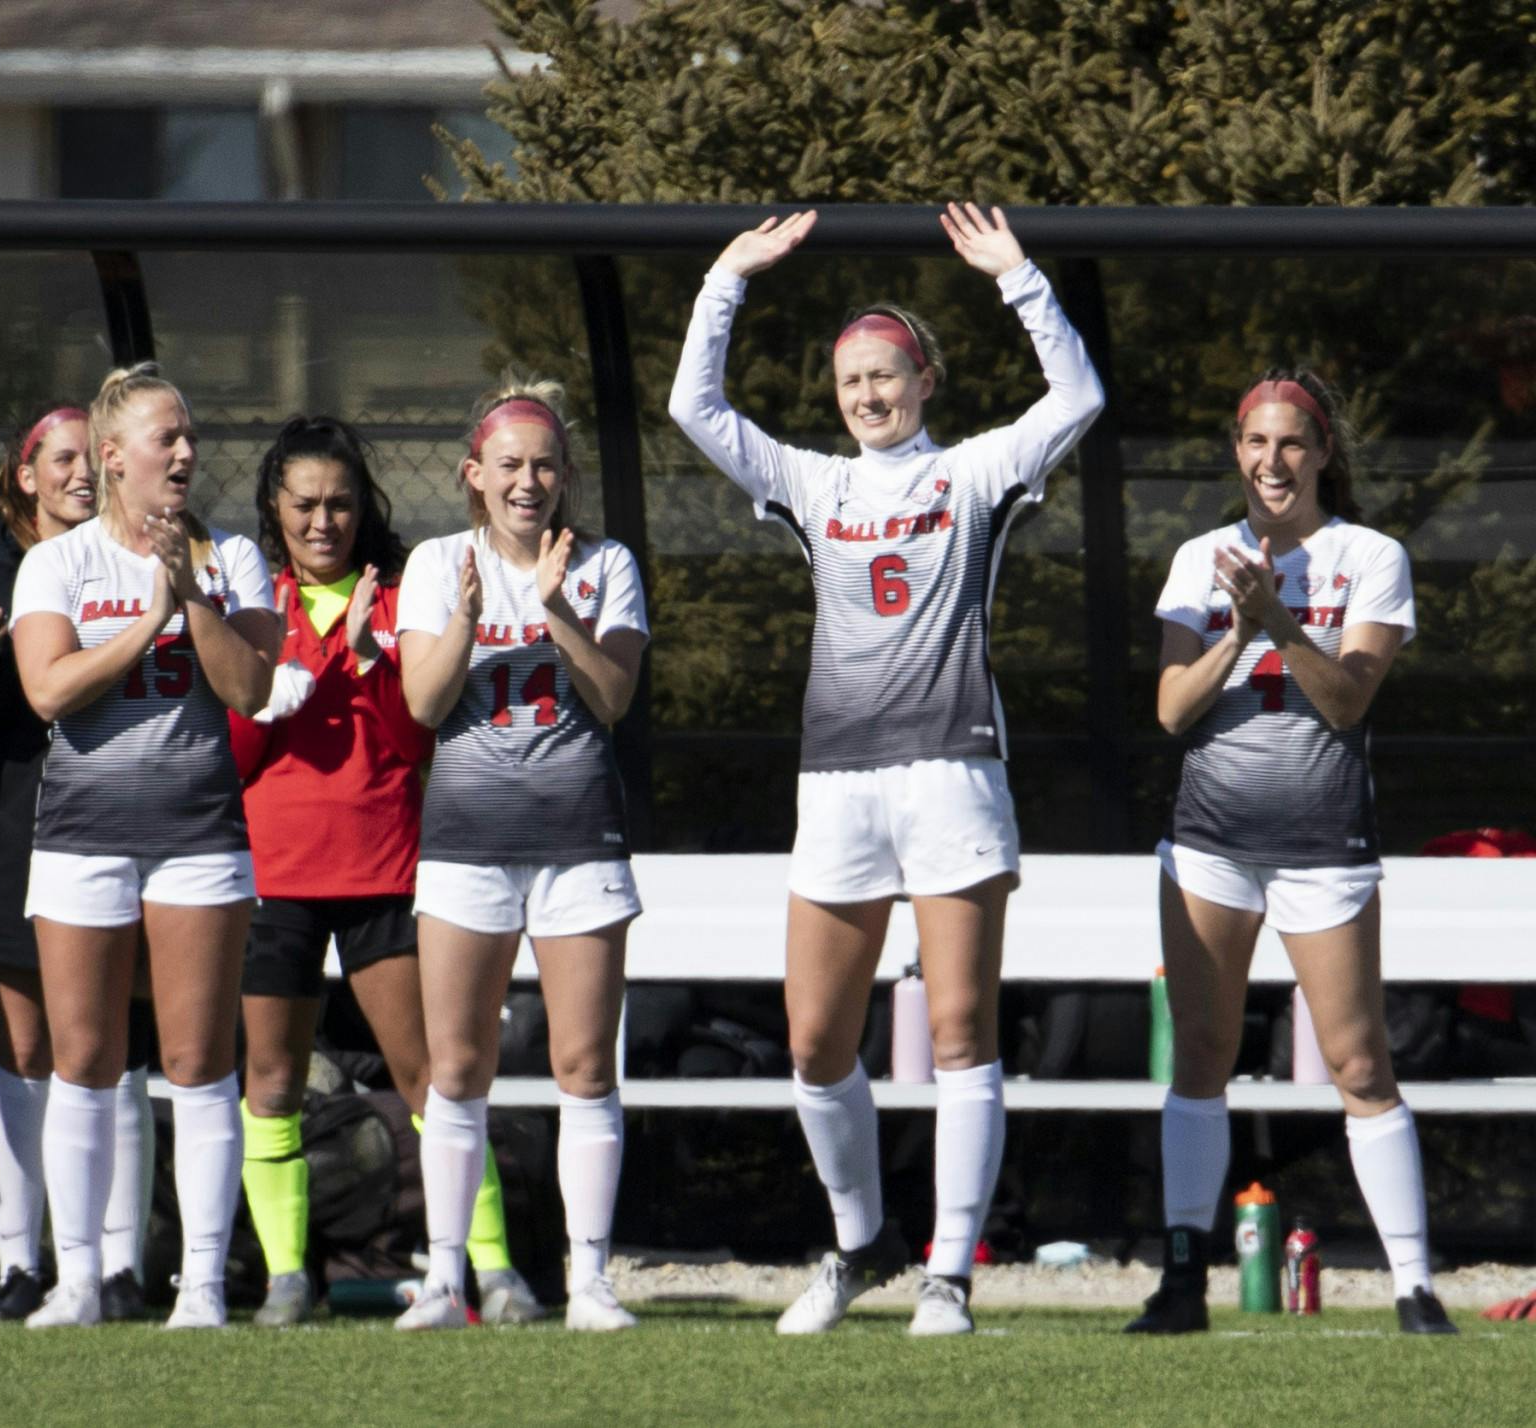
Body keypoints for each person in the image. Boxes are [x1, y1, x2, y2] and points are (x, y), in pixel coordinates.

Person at [668, 204, 1103, 1336]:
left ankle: (949, 1273)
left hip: (951, 775)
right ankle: (858, 1244)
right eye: (851, 379)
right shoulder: (812, 487)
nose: (868, 395)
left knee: (958, 1026)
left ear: (922, 380)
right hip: (838, 787)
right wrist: (726, 277)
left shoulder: (969, 475)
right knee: (816, 1041)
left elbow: (1077, 401)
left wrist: (1019, 280)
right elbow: (691, 408)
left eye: (886, 375)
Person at [1126, 369, 1454, 1336]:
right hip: (1211, 844)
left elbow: (1347, 699)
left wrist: (1278, 619)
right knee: (1203, 1055)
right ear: (1238, 450)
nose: (1273, 463)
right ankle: (1183, 1279)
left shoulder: (1372, 556)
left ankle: (1413, 1286)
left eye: (1293, 444)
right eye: (1256, 444)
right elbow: (1172, 709)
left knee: (1358, 1064)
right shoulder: (1200, 557)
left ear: (1323, 454)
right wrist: (1237, 630)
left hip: (1323, 844)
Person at [230, 416, 544, 1327]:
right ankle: (290, 1278)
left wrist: (370, 662)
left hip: (385, 867)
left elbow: (417, 741)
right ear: (274, 511)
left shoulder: (409, 592)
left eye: (340, 503)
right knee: (273, 1084)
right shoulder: (258, 603)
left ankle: (492, 1271)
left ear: (365, 509)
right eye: (304, 505)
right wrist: (307, 664)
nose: (323, 521)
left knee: (432, 1078)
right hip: (276, 875)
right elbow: (243, 751)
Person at [9, 362, 278, 1328]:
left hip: (199, 834)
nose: (185, 453)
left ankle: (200, 1285)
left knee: (200, 1058)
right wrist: (151, 621)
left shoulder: (233, 558)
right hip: (82, 835)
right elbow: (48, 689)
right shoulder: (57, 564)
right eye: (166, 438)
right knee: (81, 1058)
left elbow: (249, 688)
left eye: (190, 436)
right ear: (113, 458)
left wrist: (190, 596)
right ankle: (77, 1280)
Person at [391, 379, 649, 1333]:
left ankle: (590, 1281)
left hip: (579, 840)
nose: (528, 481)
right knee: (456, 1069)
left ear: (566, 474)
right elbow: (422, 704)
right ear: (474, 475)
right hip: (466, 846)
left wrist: (555, 611)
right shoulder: (435, 563)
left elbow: (614, 696)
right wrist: (466, 619)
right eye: (509, 465)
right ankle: (445, 1281)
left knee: (585, 1064)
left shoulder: (606, 562)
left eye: (544, 464)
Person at [0, 405, 157, 1321]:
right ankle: (16, 1264)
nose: (79, 474)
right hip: (15, 834)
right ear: (24, 473)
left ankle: (121, 1267)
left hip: (131, 829)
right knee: (27, 1050)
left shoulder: (143, 560)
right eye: (60, 460)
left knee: (123, 1050)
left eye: (89, 458)